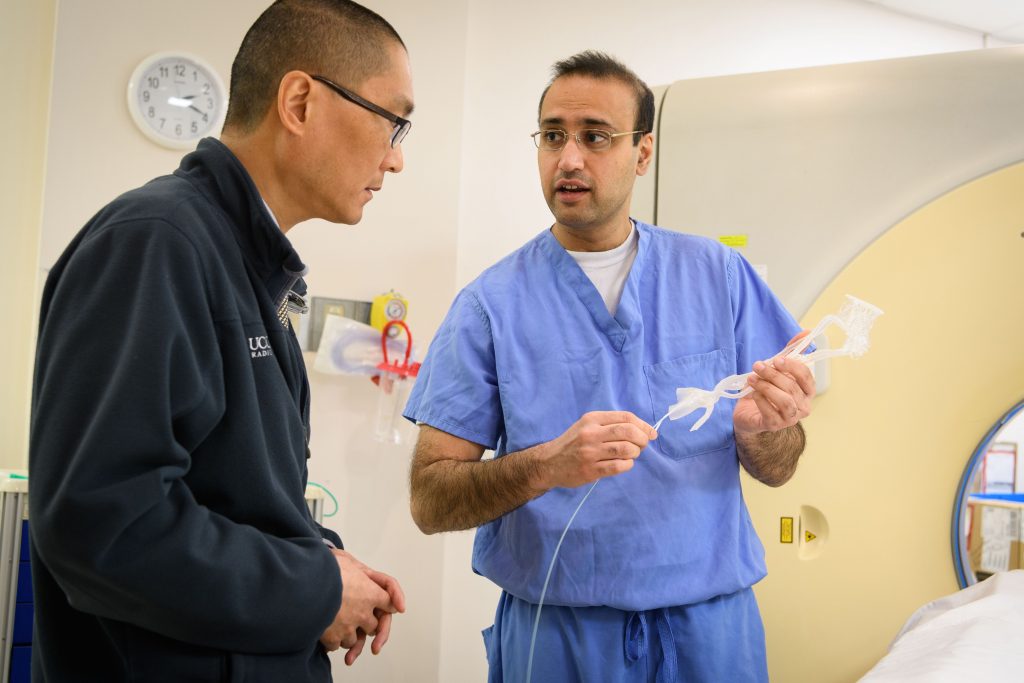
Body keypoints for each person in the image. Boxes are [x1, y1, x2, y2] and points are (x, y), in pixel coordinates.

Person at [29, 1, 412, 680]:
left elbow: (238, 497)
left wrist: (328, 562)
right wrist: (315, 588)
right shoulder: (156, 242)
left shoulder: (251, 272)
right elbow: (104, 525)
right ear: (299, 101)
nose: (397, 158)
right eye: (394, 120)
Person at [404, 50, 815, 682]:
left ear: (643, 152)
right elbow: (431, 500)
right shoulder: (490, 306)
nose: (569, 158)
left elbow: (780, 468)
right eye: (552, 136)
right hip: (561, 636)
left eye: (595, 136)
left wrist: (765, 431)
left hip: (712, 632)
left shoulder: (717, 277)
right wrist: (548, 465)